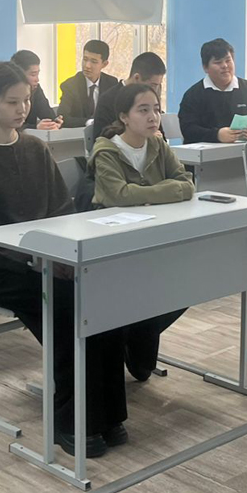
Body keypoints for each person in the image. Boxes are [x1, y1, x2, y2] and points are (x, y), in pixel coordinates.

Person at [0, 62, 128, 458]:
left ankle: (109, 414)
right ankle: (70, 422)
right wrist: (33, 260)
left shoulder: (35, 148)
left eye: (26, 101)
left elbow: (62, 210)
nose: (22, 109)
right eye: (12, 102)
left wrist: (59, 256)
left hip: (48, 260)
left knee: (101, 301)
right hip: (0, 269)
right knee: (65, 312)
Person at [90, 82, 195, 380]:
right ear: (124, 116)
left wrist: (146, 194)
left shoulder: (158, 145)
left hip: (154, 234)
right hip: (112, 242)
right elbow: (118, 195)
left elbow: (187, 184)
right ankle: (129, 336)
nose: (153, 117)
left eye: (157, 110)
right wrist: (163, 191)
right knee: (145, 291)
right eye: (143, 110)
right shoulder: (106, 150)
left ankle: (132, 336)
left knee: (189, 283)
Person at [177, 38, 247, 144]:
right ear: (205, 68)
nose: (225, 66)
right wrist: (217, 135)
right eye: (218, 62)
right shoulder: (193, 95)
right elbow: (187, 129)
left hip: (243, 151)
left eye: (228, 61)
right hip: (207, 152)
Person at [92, 52, 166, 139]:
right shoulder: (107, 100)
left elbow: (161, 136)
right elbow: (100, 138)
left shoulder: (151, 99)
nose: (155, 90)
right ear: (137, 78)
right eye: (153, 85)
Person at [57, 40, 120, 128]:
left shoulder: (111, 83)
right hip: (78, 133)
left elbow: (116, 114)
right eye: (85, 59)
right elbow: (63, 117)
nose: (87, 65)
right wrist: (89, 122)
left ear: (104, 64)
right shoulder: (70, 85)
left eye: (94, 61)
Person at [10, 49, 63, 129]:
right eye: (33, 75)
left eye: (38, 74)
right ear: (18, 74)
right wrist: (35, 127)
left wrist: (54, 123)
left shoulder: (36, 89)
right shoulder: (6, 93)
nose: (37, 79)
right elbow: (7, 125)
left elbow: (48, 116)